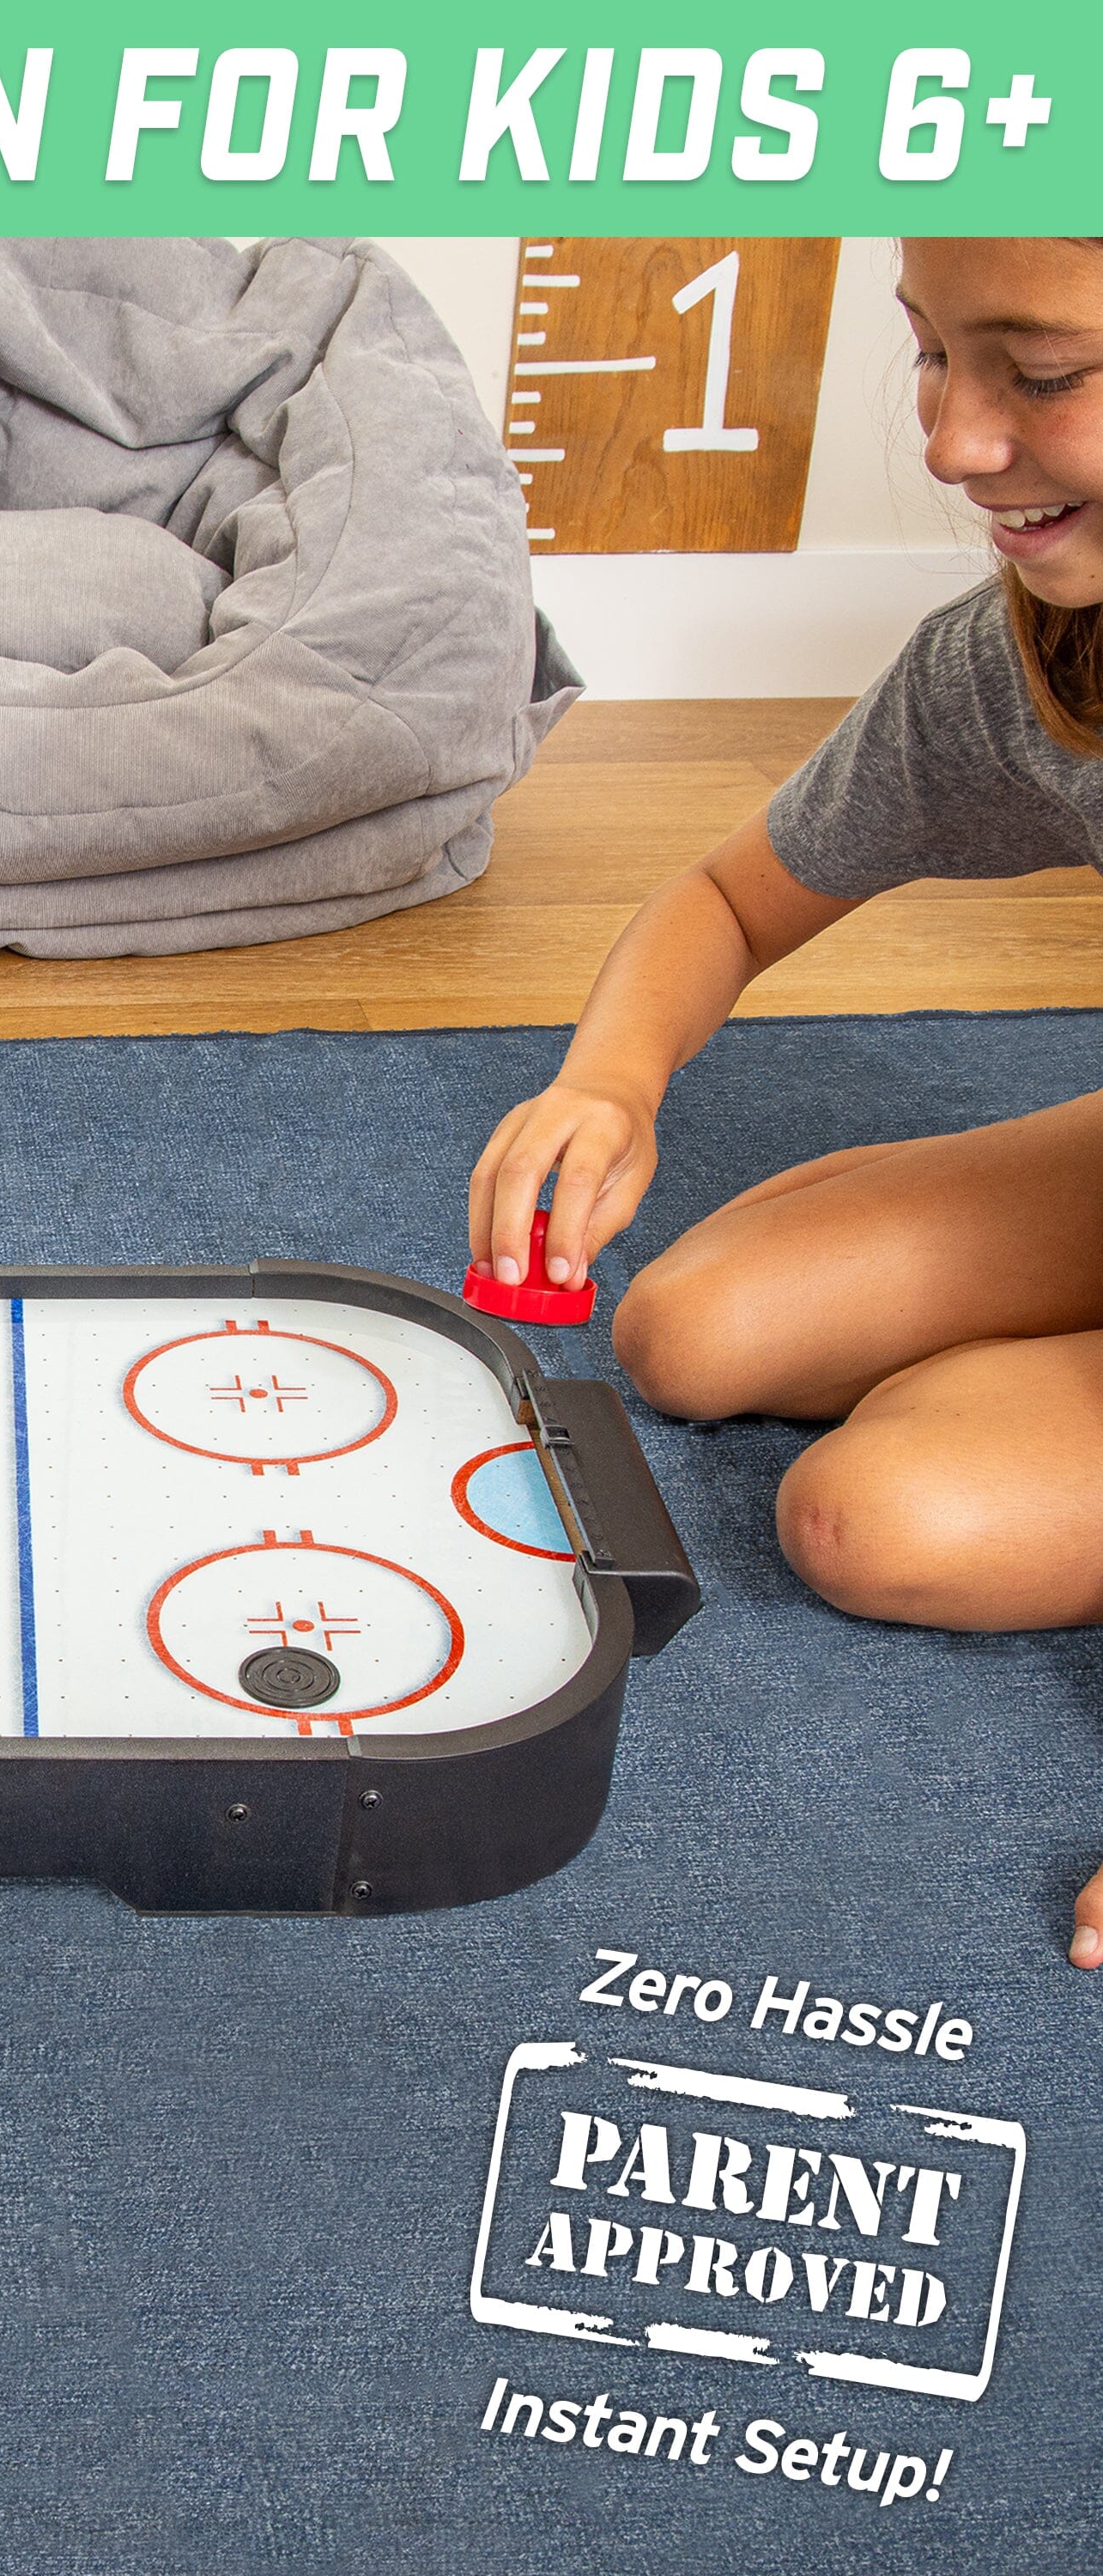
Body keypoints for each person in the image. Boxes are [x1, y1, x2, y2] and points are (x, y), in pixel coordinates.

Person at [469, 237, 1103, 1971]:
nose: (953, 441)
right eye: (931, 352)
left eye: (1044, 373)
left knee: (873, 1519)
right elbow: (731, 900)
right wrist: (610, 1082)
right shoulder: (1027, 656)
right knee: (687, 1335)